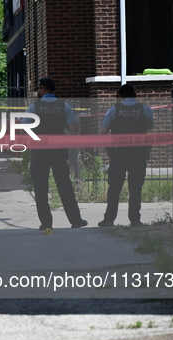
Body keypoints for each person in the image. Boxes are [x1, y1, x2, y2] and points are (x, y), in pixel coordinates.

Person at [25, 78, 88, 230]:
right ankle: (75, 220)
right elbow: (73, 128)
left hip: (40, 152)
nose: (38, 91)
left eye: (39, 88)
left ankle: (46, 223)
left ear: (44, 90)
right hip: (58, 151)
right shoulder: (63, 106)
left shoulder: (34, 107)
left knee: (40, 188)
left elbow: (24, 128)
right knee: (65, 185)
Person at [98, 83, 154, 227]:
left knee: (114, 187)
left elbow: (103, 132)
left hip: (119, 154)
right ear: (135, 94)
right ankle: (135, 219)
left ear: (120, 96)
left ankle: (109, 219)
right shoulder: (145, 110)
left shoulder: (114, 110)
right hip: (138, 154)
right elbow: (150, 126)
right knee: (135, 188)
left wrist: (110, 152)